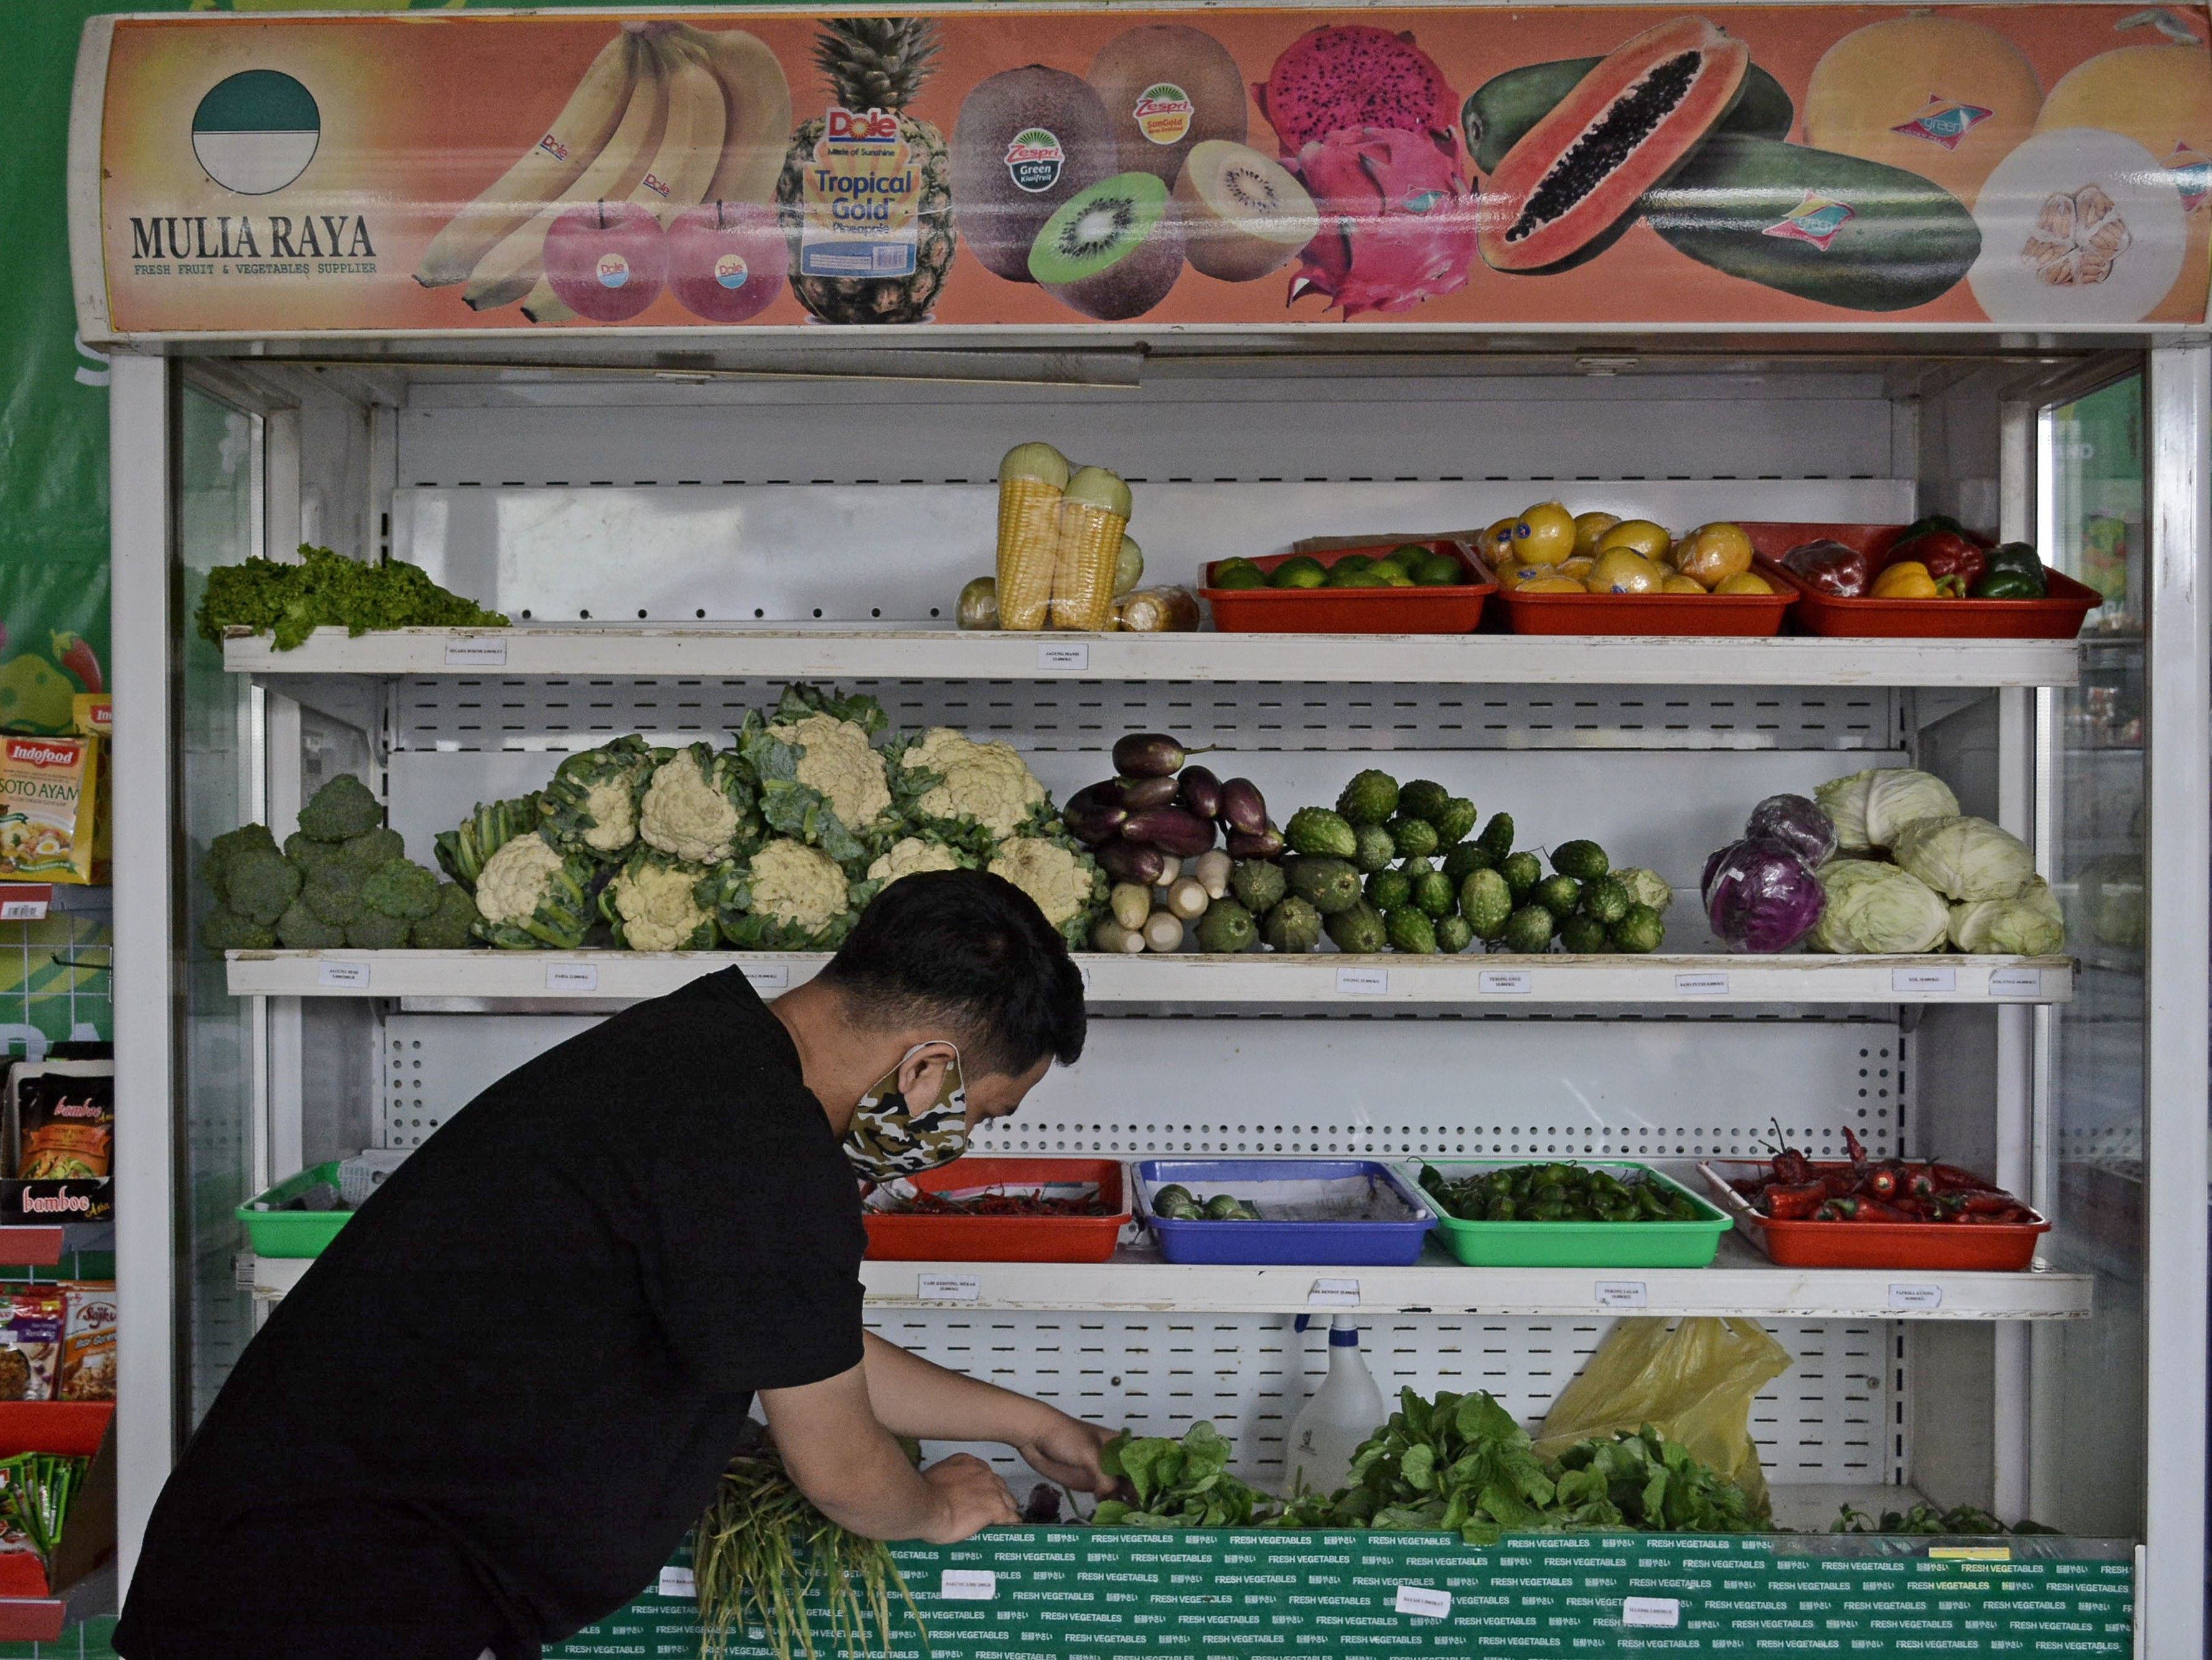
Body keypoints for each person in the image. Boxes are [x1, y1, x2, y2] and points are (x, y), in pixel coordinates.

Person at [118, 868, 1105, 1659]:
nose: (958, 1140)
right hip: (326, 1614)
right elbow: (843, 1468)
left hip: (304, 1585)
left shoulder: (703, 1054)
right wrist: (934, 1510)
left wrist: (1029, 1425)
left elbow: (799, 1341)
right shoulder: (761, 1148)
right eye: (979, 1114)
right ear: (927, 1067)